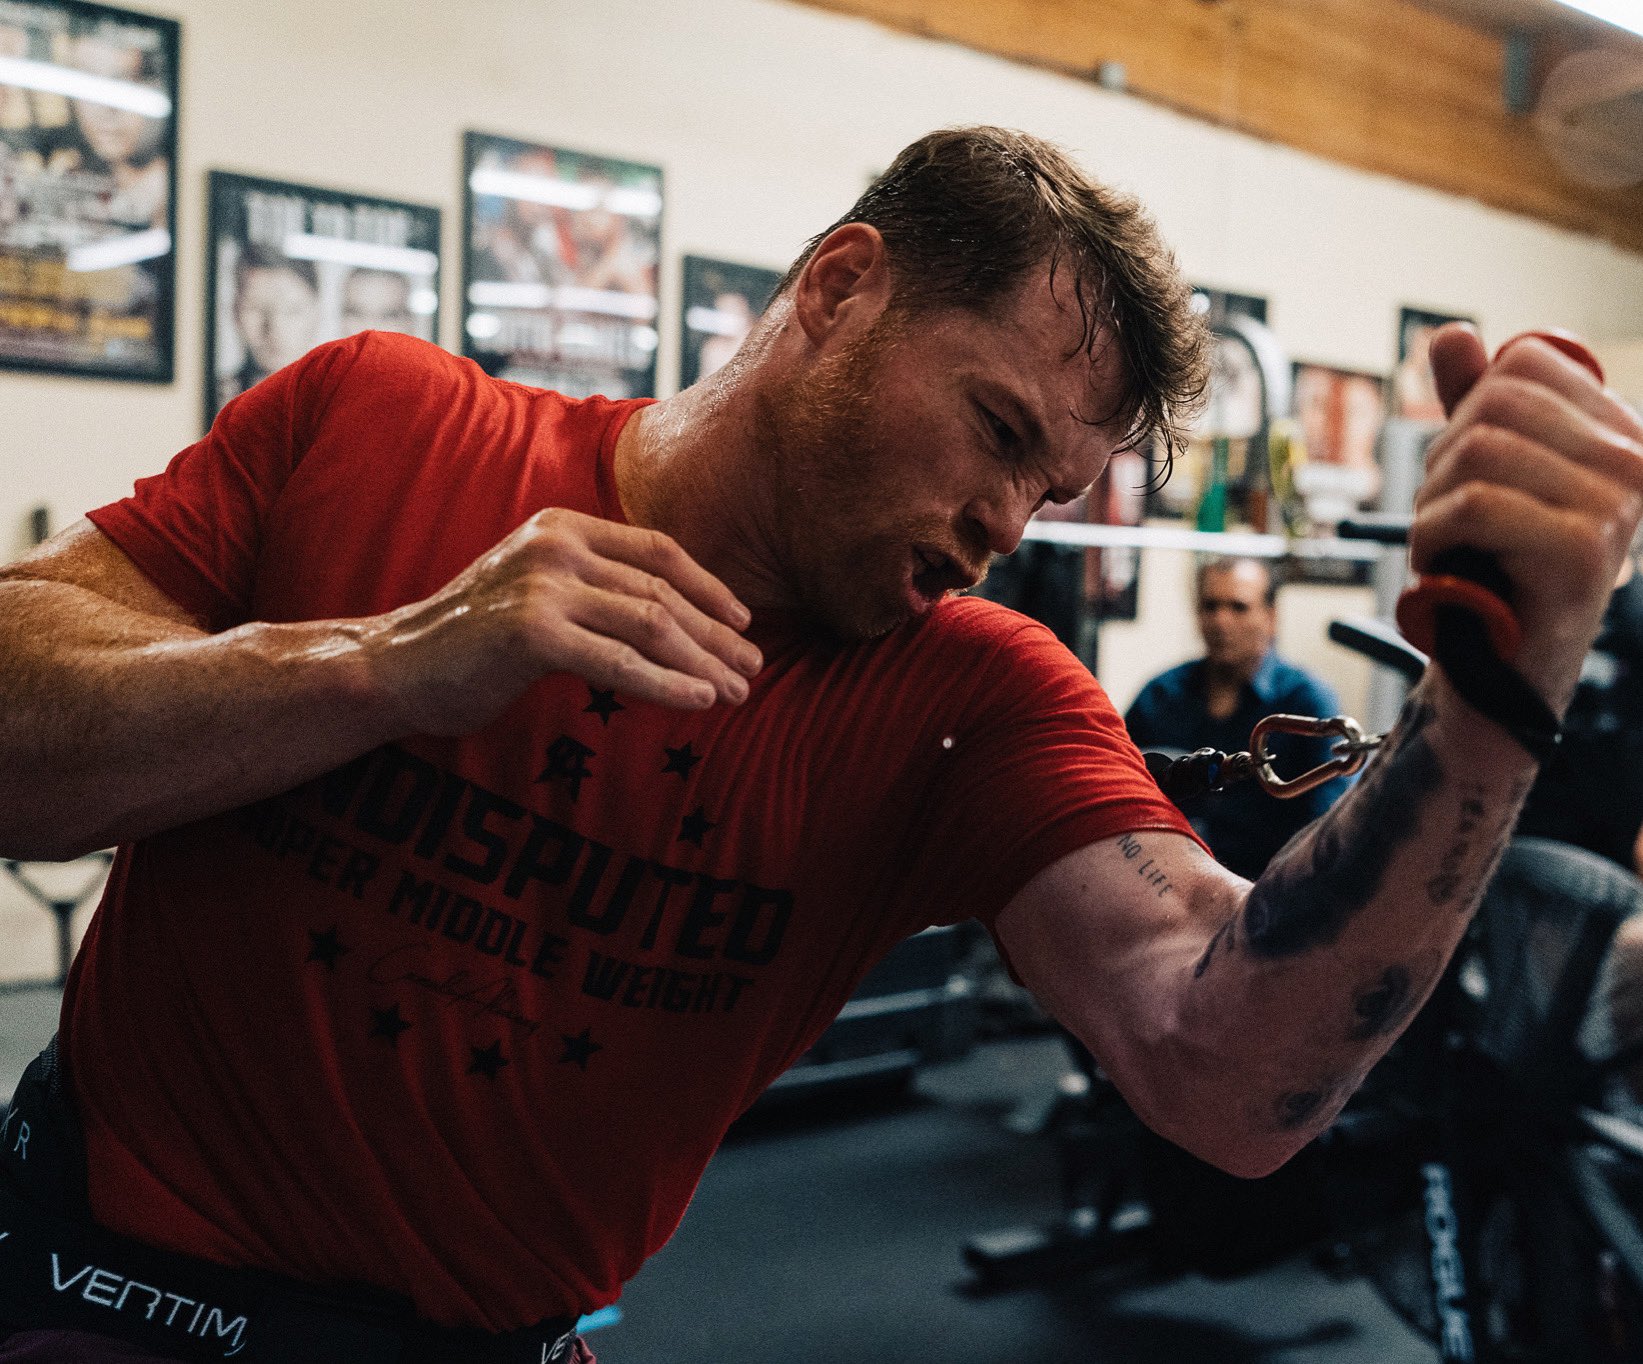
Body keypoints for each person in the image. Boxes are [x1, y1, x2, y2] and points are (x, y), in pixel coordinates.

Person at [2, 126, 1641, 1363]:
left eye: (1051, 490)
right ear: (838, 290)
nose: (1007, 520)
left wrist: (1491, 708)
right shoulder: (389, 422)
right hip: (104, 1290)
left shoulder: (963, 699)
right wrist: (382, 666)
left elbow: (1224, 1072)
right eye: (998, 432)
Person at [1124, 557, 1350, 879]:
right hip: (1163, 885)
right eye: (1210, 606)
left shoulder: (1308, 705)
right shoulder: (1159, 696)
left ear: (1271, 617)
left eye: (1238, 607)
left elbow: (1326, 828)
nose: (1221, 621)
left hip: (1265, 895)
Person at [217, 245, 321, 408]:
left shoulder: (338, 405)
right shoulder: (213, 399)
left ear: (316, 314)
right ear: (235, 312)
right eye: (256, 307)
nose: (274, 329)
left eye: (291, 310)